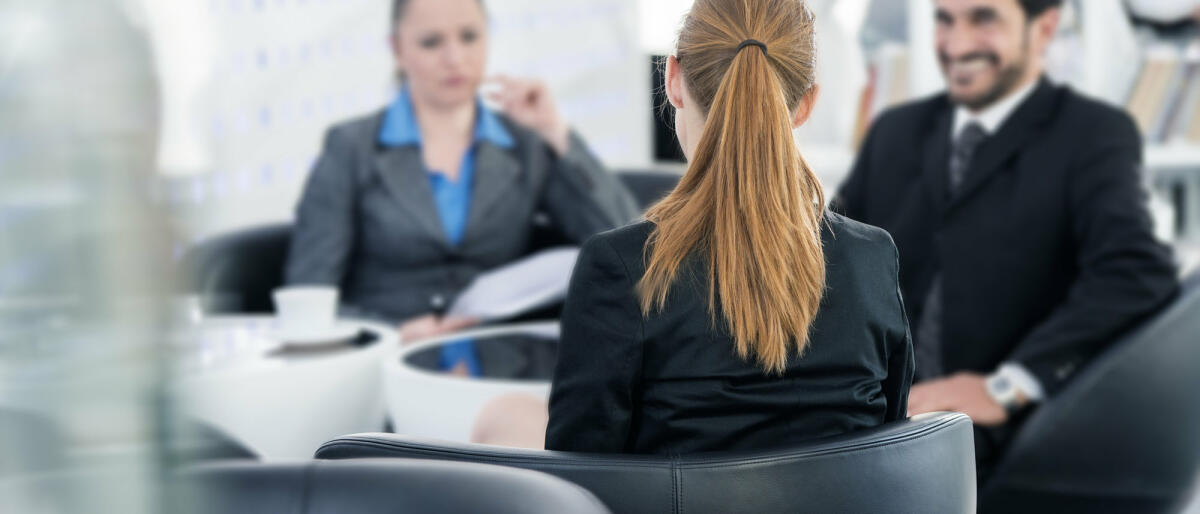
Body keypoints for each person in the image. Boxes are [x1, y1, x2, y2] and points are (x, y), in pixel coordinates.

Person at [544, 0, 914, 455]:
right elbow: (892, 445)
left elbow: (581, 470)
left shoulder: (621, 268)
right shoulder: (872, 256)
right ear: (806, 103)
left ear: (673, 79)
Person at [833, 0, 1179, 477]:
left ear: (1044, 28)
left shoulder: (1093, 135)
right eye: (945, 20)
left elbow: (1135, 272)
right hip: (867, 411)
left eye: (983, 18)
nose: (955, 45)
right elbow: (830, 260)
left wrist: (1006, 386)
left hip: (991, 433)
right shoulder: (896, 131)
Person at [285, 0, 639, 347]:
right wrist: (389, 333)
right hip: (383, 361)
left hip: (496, 357)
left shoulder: (523, 144)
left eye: (469, 36)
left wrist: (556, 133)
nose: (455, 58)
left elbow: (629, 243)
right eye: (431, 42)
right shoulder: (350, 147)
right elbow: (308, 296)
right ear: (397, 48)